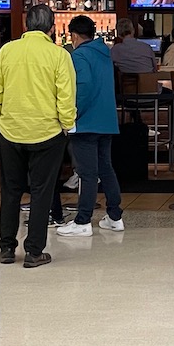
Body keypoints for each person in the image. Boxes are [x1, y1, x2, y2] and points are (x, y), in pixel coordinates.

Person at [0, 3, 75, 269]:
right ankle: (34, 251)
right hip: (47, 133)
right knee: (41, 192)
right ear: (52, 27)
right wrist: (67, 125)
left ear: (26, 25)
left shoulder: (7, 51)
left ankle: (6, 248)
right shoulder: (59, 56)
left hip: (11, 131)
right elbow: (66, 97)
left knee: (10, 191)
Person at [55, 15, 125, 238]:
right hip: (106, 120)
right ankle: (115, 217)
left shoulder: (80, 55)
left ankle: (83, 220)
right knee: (106, 168)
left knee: (86, 172)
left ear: (74, 35)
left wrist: (71, 115)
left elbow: (82, 88)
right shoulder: (105, 53)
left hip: (86, 121)